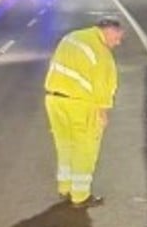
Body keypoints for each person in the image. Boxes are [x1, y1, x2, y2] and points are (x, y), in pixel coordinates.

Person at [45, 17, 125, 207]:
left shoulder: (71, 38)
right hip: (81, 105)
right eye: (118, 37)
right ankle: (80, 196)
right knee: (85, 149)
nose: (118, 42)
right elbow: (103, 87)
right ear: (108, 31)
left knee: (64, 145)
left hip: (54, 100)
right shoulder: (101, 52)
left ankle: (65, 187)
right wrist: (103, 113)